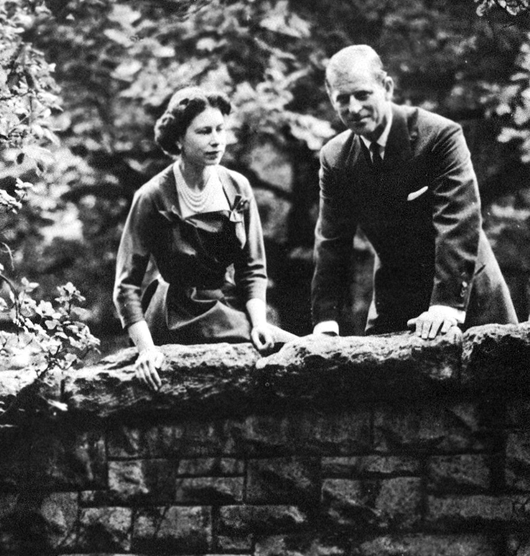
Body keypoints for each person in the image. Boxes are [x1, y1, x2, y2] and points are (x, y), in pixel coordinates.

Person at [312, 44, 517, 340]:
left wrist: (445, 307)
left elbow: (458, 222)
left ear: (386, 87)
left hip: (466, 295)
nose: (353, 108)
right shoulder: (335, 158)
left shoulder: (439, 136)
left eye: (362, 94)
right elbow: (332, 242)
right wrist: (325, 323)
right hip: (395, 299)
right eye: (342, 99)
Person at [114, 85, 294, 389]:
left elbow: (252, 269)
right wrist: (146, 350)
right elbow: (126, 286)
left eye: (220, 130)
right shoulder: (153, 196)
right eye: (204, 131)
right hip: (177, 313)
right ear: (179, 138)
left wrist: (260, 323)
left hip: (230, 305)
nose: (216, 141)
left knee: (297, 350)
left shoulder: (237, 186)